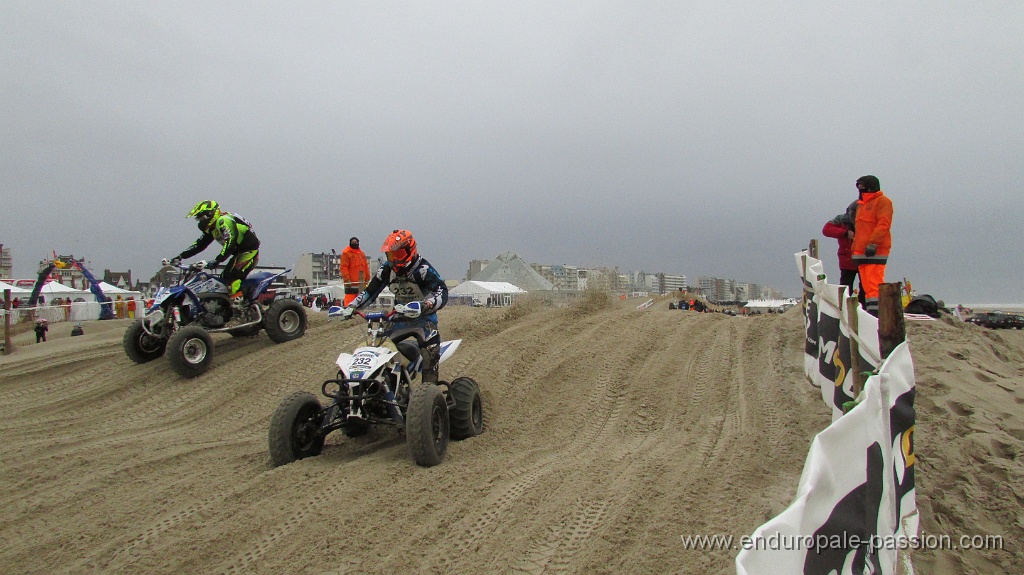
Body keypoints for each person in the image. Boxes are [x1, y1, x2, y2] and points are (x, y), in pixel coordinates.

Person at [340, 230, 449, 384]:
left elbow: (442, 291)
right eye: (391, 255)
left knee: (430, 354)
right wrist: (351, 306)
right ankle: (383, 384)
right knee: (377, 347)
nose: (394, 260)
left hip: (424, 320)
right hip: (398, 318)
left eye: (398, 254)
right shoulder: (386, 270)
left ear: (410, 251)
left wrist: (427, 304)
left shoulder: (423, 270)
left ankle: (429, 392)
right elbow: (370, 292)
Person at [170, 200, 260, 311]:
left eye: (200, 218)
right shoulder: (212, 228)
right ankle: (223, 311)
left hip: (249, 251)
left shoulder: (224, 221)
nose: (199, 221)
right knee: (221, 282)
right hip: (238, 253)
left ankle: (239, 313)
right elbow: (199, 245)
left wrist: (216, 261)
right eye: (198, 219)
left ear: (209, 214)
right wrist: (180, 256)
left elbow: (230, 242)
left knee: (233, 279)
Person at [851, 175, 893, 317]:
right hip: (861, 252)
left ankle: (877, 313)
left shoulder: (883, 202)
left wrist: (873, 243)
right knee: (867, 286)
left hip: (875, 251)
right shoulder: (861, 205)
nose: (860, 189)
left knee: (874, 283)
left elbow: (883, 224)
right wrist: (854, 249)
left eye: (863, 186)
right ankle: (871, 311)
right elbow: (860, 230)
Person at [822, 200, 861, 299]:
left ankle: (865, 311)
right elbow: (826, 229)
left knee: (866, 288)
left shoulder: (868, 220)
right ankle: (844, 310)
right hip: (847, 259)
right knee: (845, 289)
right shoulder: (841, 219)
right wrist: (845, 233)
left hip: (864, 258)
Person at [340, 237, 371, 307]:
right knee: (350, 298)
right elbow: (343, 267)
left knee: (361, 299)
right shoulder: (346, 253)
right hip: (351, 282)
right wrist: (347, 279)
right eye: (353, 242)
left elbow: (366, 266)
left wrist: (367, 278)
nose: (354, 243)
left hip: (361, 282)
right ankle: (347, 310)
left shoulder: (362, 254)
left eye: (356, 242)